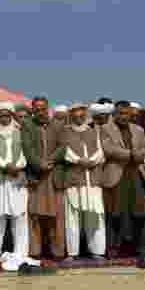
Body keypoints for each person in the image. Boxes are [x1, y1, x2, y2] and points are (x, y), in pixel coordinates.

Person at [101, 101, 145, 262]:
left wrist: (137, 155)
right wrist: (130, 154)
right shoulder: (105, 129)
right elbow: (108, 149)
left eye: (127, 114)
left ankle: (143, 249)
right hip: (116, 175)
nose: (124, 117)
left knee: (141, 213)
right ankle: (113, 249)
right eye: (121, 113)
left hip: (136, 174)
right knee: (114, 213)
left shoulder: (138, 129)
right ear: (114, 114)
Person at [22, 96, 67, 261]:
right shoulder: (27, 126)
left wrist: (50, 161)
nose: (40, 112)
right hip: (37, 176)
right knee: (35, 215)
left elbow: (63, 146)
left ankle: (57, 252)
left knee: (56, 215)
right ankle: (35, 251)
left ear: (48, 108)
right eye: (37, 109)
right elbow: (27, 148)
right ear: (32, 110)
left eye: (43, 109)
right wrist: (39, 164)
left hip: (54, 175)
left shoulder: (58, 125)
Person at [0, 101, 30, 266]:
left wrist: (17, 166)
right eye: (1, 115)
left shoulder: (20, 131)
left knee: (19, 216)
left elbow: (26, 153)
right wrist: (5, 165)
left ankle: (20, 253)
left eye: (7, 115)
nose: (4, 118)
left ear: (12, 116)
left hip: (17, 177)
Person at [62, 103, 106, 260]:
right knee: (72, 216)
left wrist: (91, 161)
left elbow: (101, 152)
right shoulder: (65, 132)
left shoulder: (94, 131)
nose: (79, 118)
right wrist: (78, 160)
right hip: (74, 179)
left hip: (92, 179)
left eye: (82, 115)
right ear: (71, 116)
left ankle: (97, 250)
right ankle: (72, 252)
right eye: (75, 115)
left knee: (95, 216)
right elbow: (64, 151)